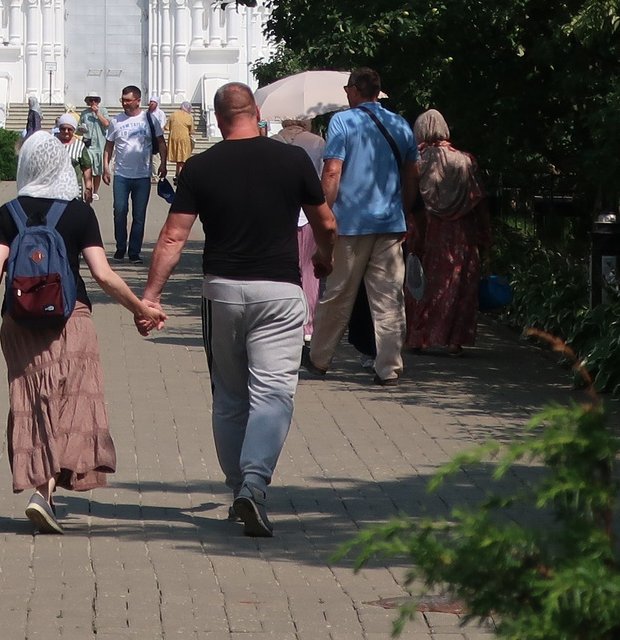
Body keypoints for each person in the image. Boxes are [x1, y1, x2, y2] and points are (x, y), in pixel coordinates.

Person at [141, 82, 334, 538]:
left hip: (222, 291)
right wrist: (325, 257)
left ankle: (236, 490)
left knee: (229, 397)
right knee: (274, 393)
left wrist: (151, 296)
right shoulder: (292, 160)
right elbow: (325, 222)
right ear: (257, 113)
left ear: (218, 118)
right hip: (280, 291)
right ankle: (254, 484)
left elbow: (172, 236)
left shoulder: (201, 167)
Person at [0, 124, 163, 533]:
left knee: (32, 402)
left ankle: (42, 490)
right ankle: (43, 493)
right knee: (70, 403)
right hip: (70, 319)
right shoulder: (79, 213)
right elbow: (103, 275)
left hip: (18, 323)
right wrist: (141, 308)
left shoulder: (6, 214)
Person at [306, 69, 418, 384]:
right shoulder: (400, 123)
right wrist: (403, 211)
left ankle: (319, 358)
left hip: (352, 224)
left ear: (354, 90)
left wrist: (324, 213)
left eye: (347, 89)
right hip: (389, 224)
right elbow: (412, 175)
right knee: (388, 298)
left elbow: (332, 171)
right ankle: (389, 368)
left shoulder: (343, 122)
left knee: (339, 293)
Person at [405, 109, 490, 356]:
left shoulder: (415, 160)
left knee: (421, 282)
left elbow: (408, 195)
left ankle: (418, 338)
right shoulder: (465, 160)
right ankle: (454, 341)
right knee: (457, 283)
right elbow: (479, 198)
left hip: (425, 228)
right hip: (460, 233)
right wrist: (485, 231)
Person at [275, 113, 325, 336]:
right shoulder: (317, 142)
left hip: (278, 215)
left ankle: (281, 320)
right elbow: (324, 178)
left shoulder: (272, 142)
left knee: (280, 270)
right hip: (309, 214)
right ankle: (307, 324)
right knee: (309, 271)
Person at [105, 85, 162, 262]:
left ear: (138, 101)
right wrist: (105, 167)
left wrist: (163, 164)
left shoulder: (149, 119)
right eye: (123, 100)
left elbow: (161, 142)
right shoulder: (116, 121)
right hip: (121, 175)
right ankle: (120, 247)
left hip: (142, 175)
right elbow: (109, 146)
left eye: (128, 100)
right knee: (119, 210)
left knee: (139, 215)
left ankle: (134, 252)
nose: (125, 103)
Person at [77, 95, 109, 203]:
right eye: (91, 100)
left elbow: (107, 124)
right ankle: (88, 189)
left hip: (99, 145)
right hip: (88, 144)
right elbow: (79, 128)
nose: (93, 102)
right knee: (87, 168)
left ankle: (95, 191)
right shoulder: (84, 113)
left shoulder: (103, 111)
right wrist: (81, 129)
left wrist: (97, 113)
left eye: (95, 100)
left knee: (97, 170)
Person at [165, 99, 197, 171]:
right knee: (182, 160)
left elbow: (167, 127)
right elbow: (191, 130)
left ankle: (177, 173)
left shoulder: (173, 115)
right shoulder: (189, 116)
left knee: (178, 160)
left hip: (173, 139)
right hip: (184, 140)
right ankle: (180, 174)